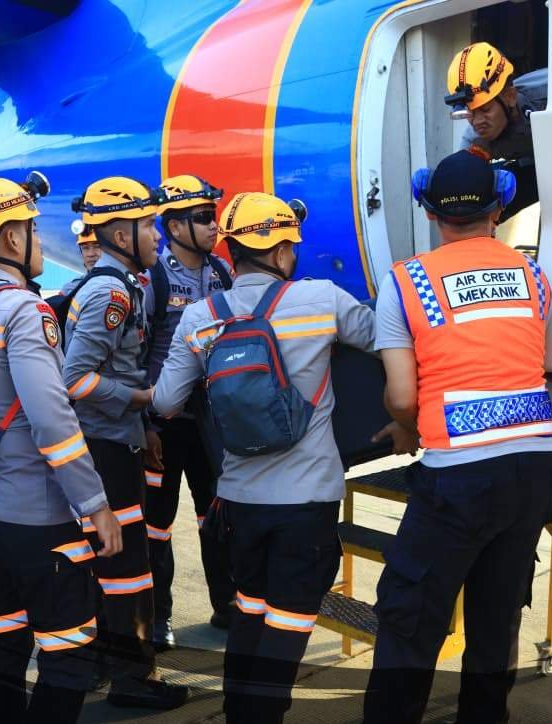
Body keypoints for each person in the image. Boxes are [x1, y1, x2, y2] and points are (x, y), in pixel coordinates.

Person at [153, 191, 410, 723]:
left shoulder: (201, 316)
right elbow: (384, 339)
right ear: (279, 251)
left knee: (249, 615)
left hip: (238, 501)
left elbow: (166, 401)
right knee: (287, 629)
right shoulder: (320, 300)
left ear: (232, 251)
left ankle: (238, 713)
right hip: (306, 501)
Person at [363, 149, 552, 724]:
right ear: (499, 207)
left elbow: (403, 396)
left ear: (429, 211)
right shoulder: (533, 277)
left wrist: (408, 428)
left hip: (458, 478)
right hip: (534, 470)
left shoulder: (408, 281)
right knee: (496, 615)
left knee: (411, 619)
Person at [0, 174, 123, 724]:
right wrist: (96, 505)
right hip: (34, 521)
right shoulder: (23, 311)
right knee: (69, 654)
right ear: (12, 238)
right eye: (34, 231)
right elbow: (53, 421)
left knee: (7, 635)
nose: (39, 242)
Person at [63, 176, 187, 710]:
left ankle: (112, 668)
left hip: (118, 441)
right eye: (148, 226)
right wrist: (140, 399)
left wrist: (144, 427)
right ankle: (134, 681)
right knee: (127, 569)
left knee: (116, 565)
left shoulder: (120, 285)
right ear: (120, 234)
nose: (157, 236)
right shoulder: (112, 293)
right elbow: (75, 379)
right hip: (106, 449)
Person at [143, 174, 235, 650]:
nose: (213, 225)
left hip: (210, 424)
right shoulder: (154, 280)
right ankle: (158, 618)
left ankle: (227, 603)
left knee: (215, 514)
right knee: (156, 527)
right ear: (175, 227)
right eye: (202, 217)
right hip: (164, 425)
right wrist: (144, 425)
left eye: (213, 216)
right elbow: (135, 356)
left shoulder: (222, 273)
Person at [444, 41, 539, 222]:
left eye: (486, 109)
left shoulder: (549, 91)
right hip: (533, 169)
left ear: (510, 97)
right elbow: (460, 184)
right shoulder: (474, 140)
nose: (477, 122)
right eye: (470, 113)